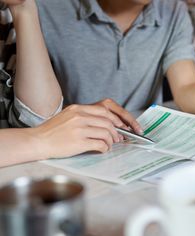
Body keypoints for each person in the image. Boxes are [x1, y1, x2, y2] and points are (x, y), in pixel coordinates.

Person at [36, 0, 195, 145]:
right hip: (68, 144)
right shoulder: (45, 8)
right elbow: (31, 110)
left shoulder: (173, 10)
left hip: (142, 146)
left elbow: (188, 88)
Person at [0, 0, 140, 167]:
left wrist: (24, 8)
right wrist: (41, 140)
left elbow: (39, 119)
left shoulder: (8, 14)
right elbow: (42, 131)